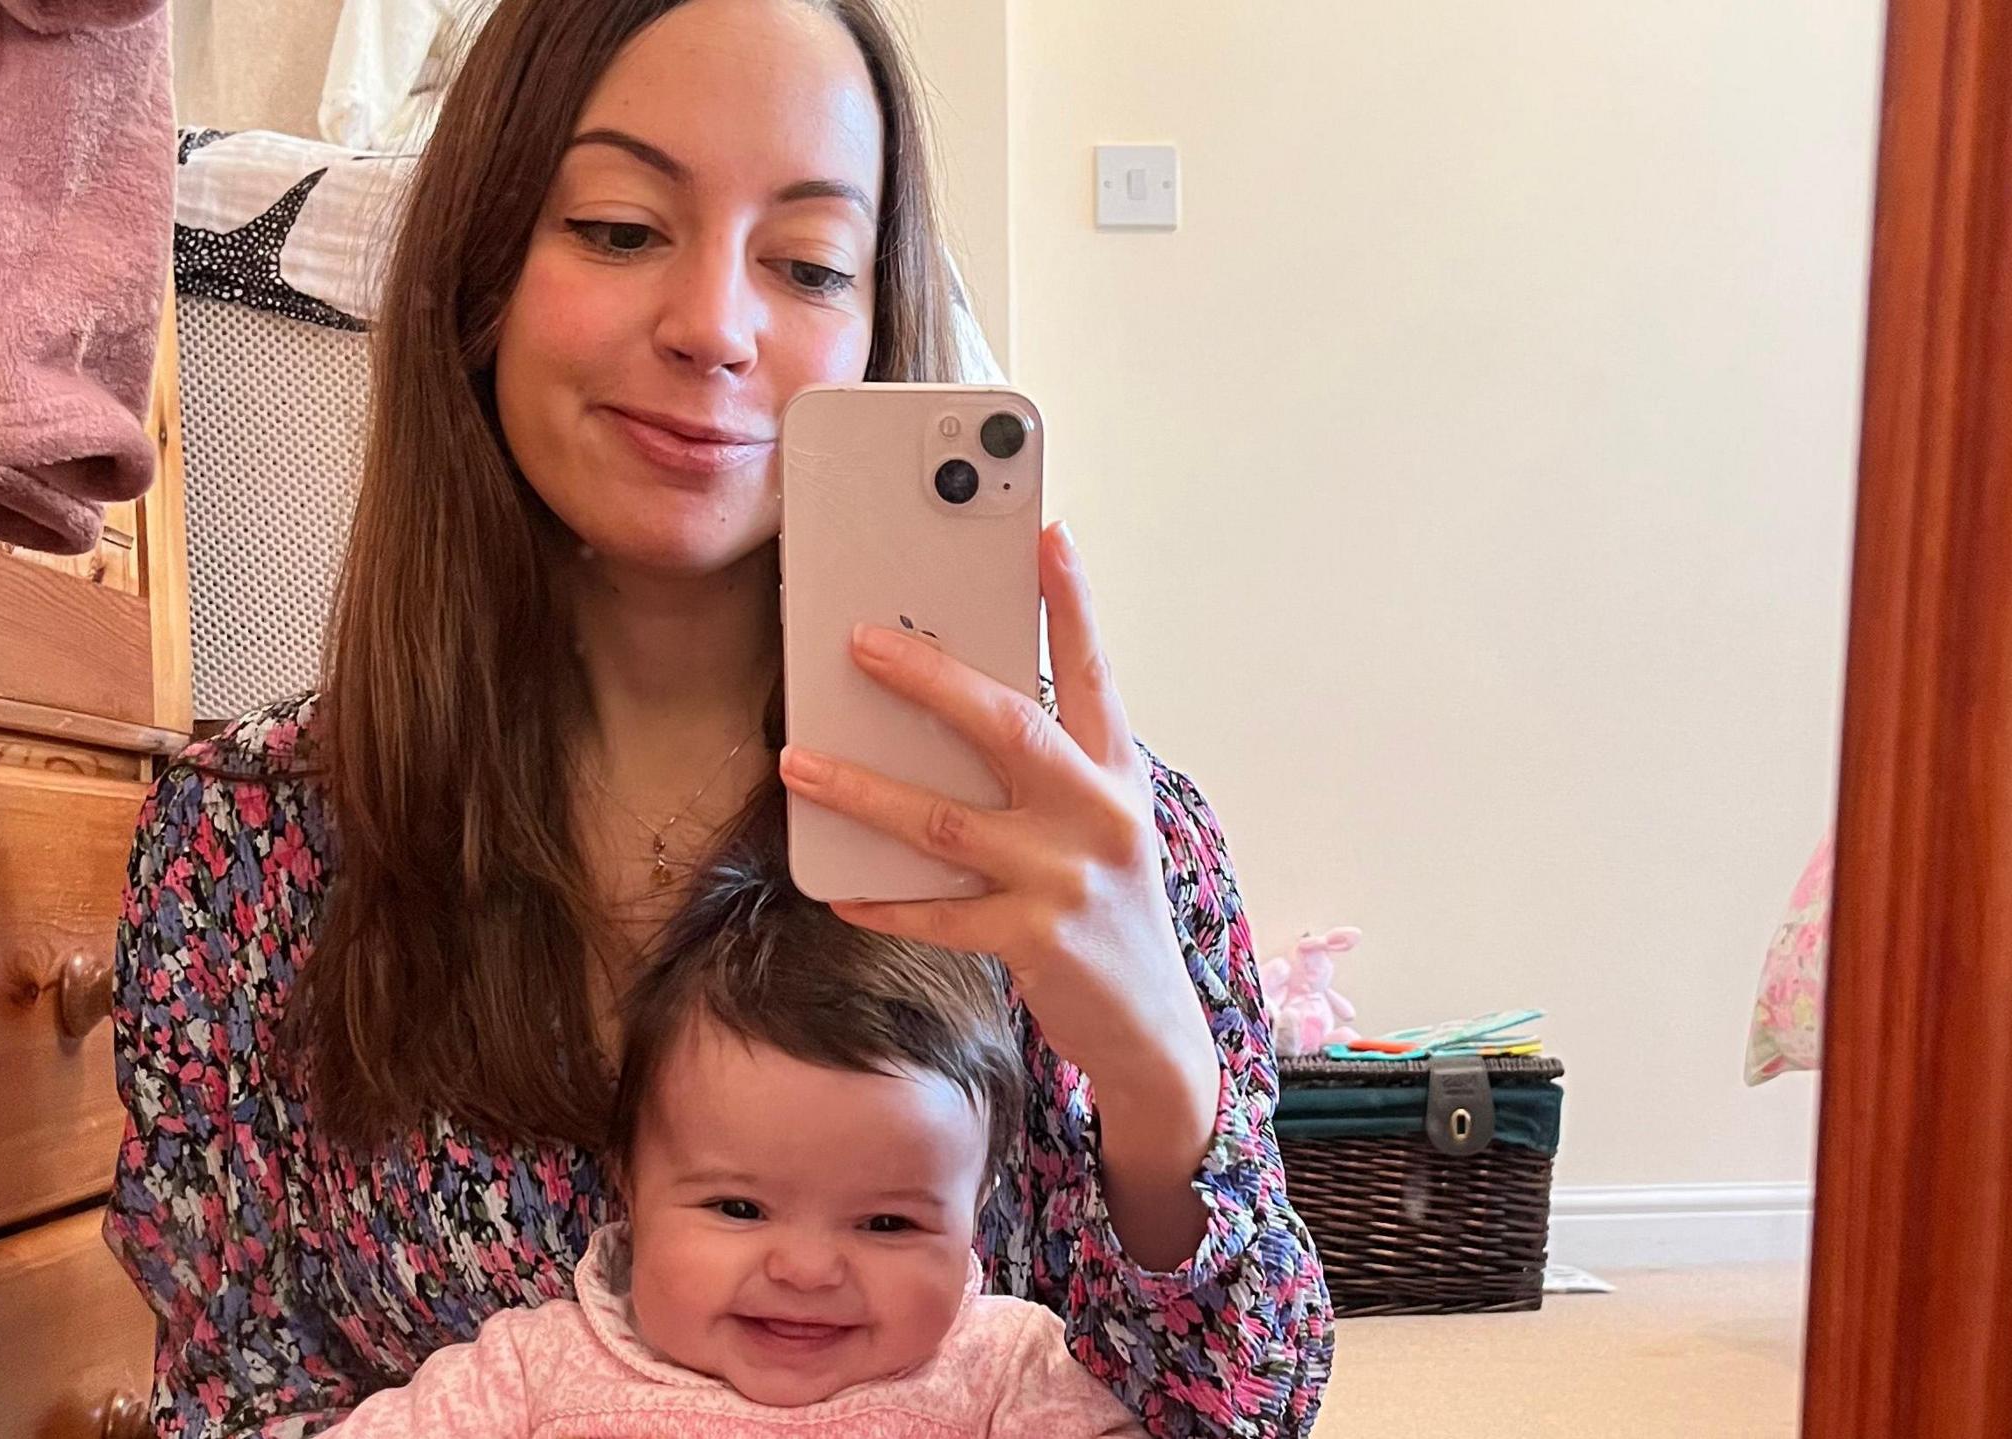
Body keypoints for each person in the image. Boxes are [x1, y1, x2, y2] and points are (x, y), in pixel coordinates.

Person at [103, 2, 1332, 1436]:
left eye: (808, 263)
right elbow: (239, 1395)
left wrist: (1156, 1065)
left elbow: (1231, 1412)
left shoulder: (1099, 843)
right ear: (483, 266)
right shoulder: (248, 845)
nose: (714, 329)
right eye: (621, 228)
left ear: (878, 327)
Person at [321, 807, 1145, 1436]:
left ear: (976, 1207)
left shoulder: (1006, 1375)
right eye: (739, 1207)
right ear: (628, 1181)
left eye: (888, 1221)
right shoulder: (533, 1373)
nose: (808, 1267)